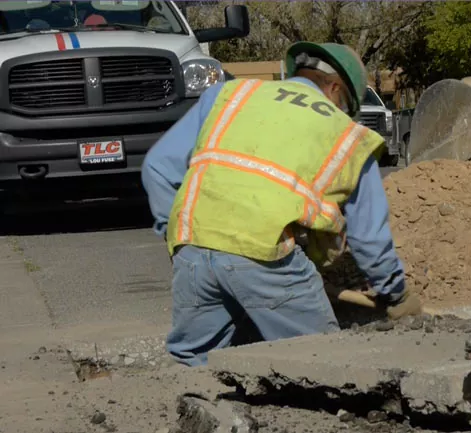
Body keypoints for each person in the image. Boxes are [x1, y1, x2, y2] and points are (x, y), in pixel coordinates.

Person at [141, 42, 422, 367]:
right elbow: (368, 236)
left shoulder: (230, 95)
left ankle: (204, 412)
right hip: (264, 257)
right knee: (325, 362)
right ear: (334, 88)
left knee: (195, 361)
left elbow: (158, 168)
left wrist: (177, 241)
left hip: (192, 249)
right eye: (346, 105)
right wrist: (395, 292)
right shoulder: (347, 135)